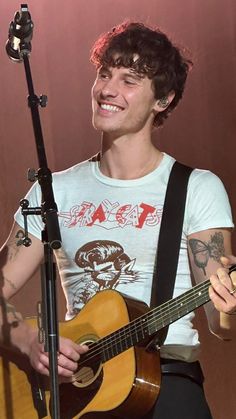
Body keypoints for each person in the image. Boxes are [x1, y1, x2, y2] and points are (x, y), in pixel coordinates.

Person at [1, 20, 236, 419]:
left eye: (129, 80)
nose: (107, 89)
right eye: (104, 74)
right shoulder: (51, 190)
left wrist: (228, 308)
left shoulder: (197, 187)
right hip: (77, 387)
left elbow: (220, 323)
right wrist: (25, 339)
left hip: (166, 380)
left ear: (163, 99)